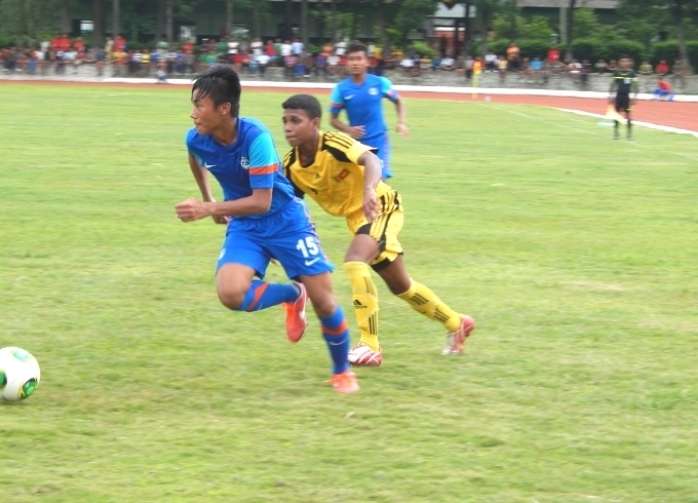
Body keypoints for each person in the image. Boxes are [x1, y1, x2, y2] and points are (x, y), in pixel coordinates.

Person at [174, 67, 359, 393]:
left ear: (224, 109)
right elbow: (195, 157)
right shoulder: (196, 138)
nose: (192, 114)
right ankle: (292, 294)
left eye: (199, 106)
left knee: (325, 301)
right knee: (230, 294)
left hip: (286, 221)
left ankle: (342, 371)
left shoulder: (255, 137)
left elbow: (261, 201)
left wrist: (209, 208)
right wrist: (208, 196)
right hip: (246, 226)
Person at [281, 94, 475, 367]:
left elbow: (372, 161)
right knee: (401, 286)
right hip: (358, 221)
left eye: (295, 120)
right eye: (285, 121)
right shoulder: (291, 166)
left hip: (381, 206)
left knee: (354, 261)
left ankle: (369, 345)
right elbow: (288, 202)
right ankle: (457, 323)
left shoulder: (334, 143)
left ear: (314, 123)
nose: (288, 127)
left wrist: (369, 188)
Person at [329, 41, 408, 180]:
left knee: (377, 182)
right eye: (351, 59)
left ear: (367, 62)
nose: (355, 63)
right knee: (358, 185)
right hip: (357, 145)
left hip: (379, 141)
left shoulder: (380, 83)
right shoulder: (341, 89)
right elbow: (333, 119)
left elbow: (399, 101)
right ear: (346, 63)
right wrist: (348, 130)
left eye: (359, 59)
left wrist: (401, 122)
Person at [608, 56, 638, 140]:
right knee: (617, 115)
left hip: (626, 97)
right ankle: (616, 133)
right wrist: (610, 96)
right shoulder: (616, 73)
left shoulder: (632, 73)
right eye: (622, 61)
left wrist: (635, 98)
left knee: (628, 115)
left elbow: (636, 86)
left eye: (626, 61)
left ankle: (629, 135)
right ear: (619, 63)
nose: (624, 63)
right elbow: (612, 84)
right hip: (618, 97)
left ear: (629, 63)